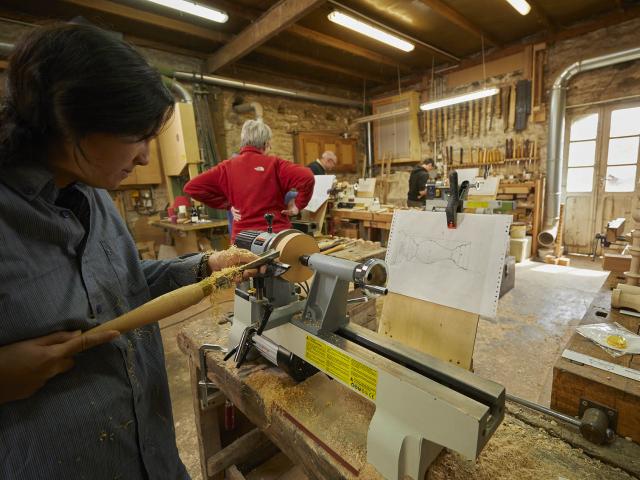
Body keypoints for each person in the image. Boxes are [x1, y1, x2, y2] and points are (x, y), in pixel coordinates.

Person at [0, 24, 257, 479]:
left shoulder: (93, 193)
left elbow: (119, 284)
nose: (144, 156)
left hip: (150, 454)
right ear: (68, 120)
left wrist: (206, 264)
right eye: (136, 135)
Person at [185, 120, 315, 242]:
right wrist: (298, 206)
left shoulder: (227, 167)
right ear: (266, 143)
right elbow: (307, 176)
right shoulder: (275, 164)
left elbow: (192, 188)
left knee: (245, 266)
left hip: (243, 240)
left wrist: (227, 204)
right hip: (276, 238)